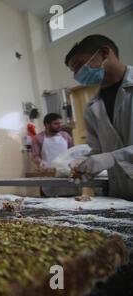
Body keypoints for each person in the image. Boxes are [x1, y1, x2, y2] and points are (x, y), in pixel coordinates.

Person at [65, 35, 133, 200]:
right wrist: (86, 164)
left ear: (104, 52)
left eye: (79, 66)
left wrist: (111, 158)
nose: (78, 75)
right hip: (122, 194)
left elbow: (108, 157)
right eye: (74, 72)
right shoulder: (92, 107)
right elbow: (99, 151)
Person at [31, 113, 77, 197]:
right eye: (56, 123)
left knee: (70, 201)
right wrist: (41, 163)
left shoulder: (65, 136)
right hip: (49, 174)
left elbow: (72, 152)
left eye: (60, 123)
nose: (60, 125)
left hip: (66, 174)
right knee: (50, 204)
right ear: (46, 124)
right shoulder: (38, 138)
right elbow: (35, 156)